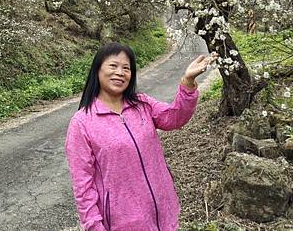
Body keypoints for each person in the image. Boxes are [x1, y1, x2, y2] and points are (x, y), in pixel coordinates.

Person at [65, 42, 217, 231]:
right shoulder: (82, 123)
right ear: (97, 70)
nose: (120, 72)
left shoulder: (142, 104)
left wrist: (187, 81)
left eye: (126, 68)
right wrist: (94, 226)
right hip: (123, 223)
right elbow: (83, 185)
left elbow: (175, 118)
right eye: (113, 66)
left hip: (163, 211)